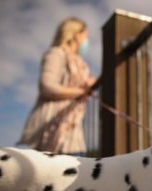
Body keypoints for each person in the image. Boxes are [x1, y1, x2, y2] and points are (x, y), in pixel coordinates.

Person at [17, 17, 96, 156]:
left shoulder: (80, 62)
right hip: (52, 127)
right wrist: (81, 91)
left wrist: (88, 85)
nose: (86, 40)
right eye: (85, 35)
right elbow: (47, 86)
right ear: (76, 34)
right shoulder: (56, 53)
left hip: (72, 128)